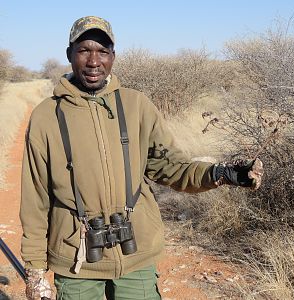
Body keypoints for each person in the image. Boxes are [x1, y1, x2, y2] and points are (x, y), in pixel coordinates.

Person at [20, 16, 263, 300]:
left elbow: (171, 167)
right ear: (69, 54)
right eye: (84, 50)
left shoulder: (136, 105)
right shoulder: (46, 116)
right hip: (76, 259)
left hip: (135, 252)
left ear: (113, 56)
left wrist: (222, 174)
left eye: (103, 51)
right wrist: (35, 271)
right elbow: (36, 199)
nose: (94, 61)